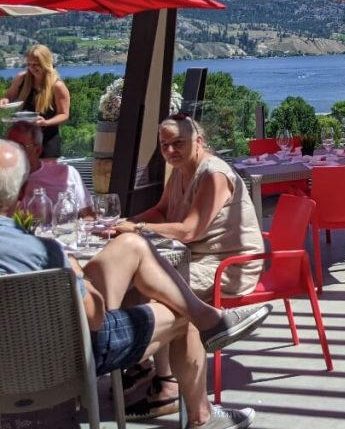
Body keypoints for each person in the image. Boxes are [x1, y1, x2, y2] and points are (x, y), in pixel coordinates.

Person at [0, 139, 267, 429]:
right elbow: (94, 317)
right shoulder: (43, 252)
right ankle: (202, 415)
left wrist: (132, 226)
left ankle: (186, 338)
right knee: (182, 311)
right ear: (22, 194)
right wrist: (78, 274)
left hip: (10, 362)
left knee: (130, 245)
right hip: (65, 358)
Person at [113, 114, 263, 418]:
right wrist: (123, 224)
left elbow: (190, 230)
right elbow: (161, 210)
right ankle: (140, 363)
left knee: (160, 297)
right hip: (192, 259)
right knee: (130, 286)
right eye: (164, 145)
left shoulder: (213, 174)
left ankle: (167, 385)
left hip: (228, 265)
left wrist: (137, 228)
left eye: (178, 143)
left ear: (199, 140)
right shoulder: (179, 171)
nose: (170, 151)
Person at [8, 120, 94, 217]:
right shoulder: (4, 179)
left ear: (37, 150)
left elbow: (88, 215)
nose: (12, 152)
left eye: (20, 147)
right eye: (9, 146)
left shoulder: (66, 173)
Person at [1, 44, 70, 161]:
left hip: (48, 139)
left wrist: (46, 123)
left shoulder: (57, 86)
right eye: (29, 64)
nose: (32, 68)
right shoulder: (22, 78)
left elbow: (64, 114)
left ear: (46, 63)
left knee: (47, 176)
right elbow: (8, 97)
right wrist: (4, 101)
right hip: (23, 138)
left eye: (37, 65)